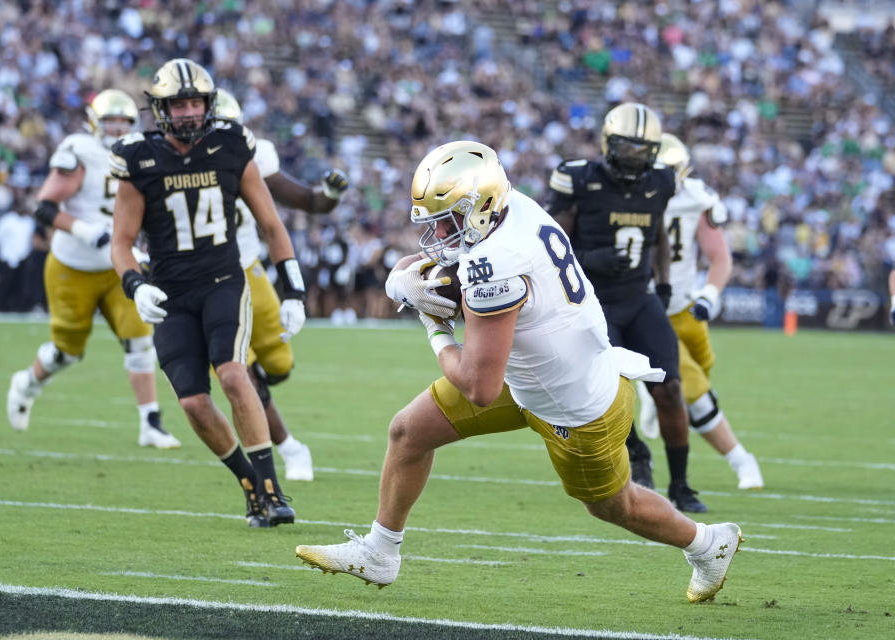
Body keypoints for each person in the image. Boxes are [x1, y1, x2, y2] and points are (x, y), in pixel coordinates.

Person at [295, 141, 742, 603]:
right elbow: (444, 268)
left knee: (615, 506)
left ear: (480, 204)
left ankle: (708, 544)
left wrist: (435, 329)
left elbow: (478, 386)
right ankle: (380, 551)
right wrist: (401, 277)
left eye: (447, 219)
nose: (438, 232)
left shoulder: (498, 265)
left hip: (575, 405)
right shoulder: (515, 208)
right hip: (531, 373)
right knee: (409, 432)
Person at [109, 58, 300, 527]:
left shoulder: (232, 146)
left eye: (196, 101)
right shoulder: (139, 158)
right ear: (161, 108)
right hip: (170, 292)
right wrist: (136, 285)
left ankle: (272, 489)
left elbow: (271, 224)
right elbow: (121, 241)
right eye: (180, 103)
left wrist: (293, 288)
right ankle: (249, 484)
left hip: (223, 281)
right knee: (193, 401)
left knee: (235, 374)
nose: (190, 111)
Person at [546, 102, 706, 512]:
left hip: (638, 299)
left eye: (643, 149)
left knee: (670, 388)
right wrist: (592, 259)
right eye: (627, 147)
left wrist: (665, 282)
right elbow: (550, 245)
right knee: (611, 390)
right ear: (607, 143)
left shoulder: (661, 182)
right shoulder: (579, 179)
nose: (635, 156)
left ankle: (682, 485)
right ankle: (636, 449)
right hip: (592, 304)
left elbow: (658, 236)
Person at [6, 89, 180, 449]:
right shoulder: (80, 150)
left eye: (123, 121)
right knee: (66, 351)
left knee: (139, 341)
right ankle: (27, 383)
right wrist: (87, 232)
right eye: (109, 120)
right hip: (74, 265)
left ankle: (151, 423)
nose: (116, 127)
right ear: (94, 122)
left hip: (120, 266)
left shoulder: (144, 153)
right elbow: (44, 207)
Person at [213, 88, 349, 481]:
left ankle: (260, 396)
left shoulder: (253, 154)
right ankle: (290, 447)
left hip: (249, 270)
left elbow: (303, 201)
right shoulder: (177, 165)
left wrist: (330, 195)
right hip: (206, 283)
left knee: (279, 365)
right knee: (243, 374)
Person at [635, 133, 763, 490]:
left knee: (702, 378)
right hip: (648, 310)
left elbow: (720, 258)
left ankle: (651, 393)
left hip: (687, 309)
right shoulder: (629, 198)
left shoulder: (696, 198)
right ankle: (742, 461)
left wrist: (710, 293)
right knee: (693, 391)